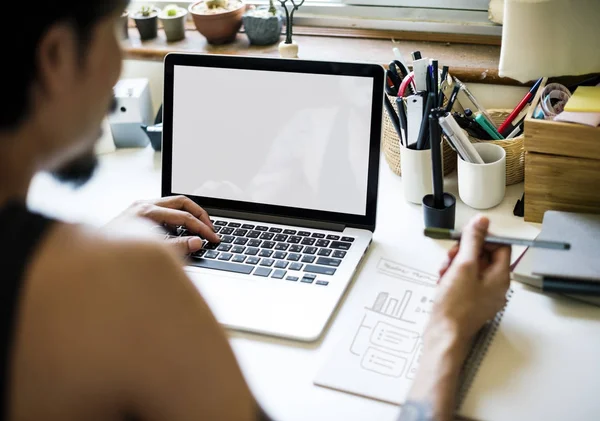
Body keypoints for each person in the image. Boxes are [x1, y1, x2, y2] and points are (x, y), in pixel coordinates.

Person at [0, 2, 511, 421]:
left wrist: (98, 247)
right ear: (57, 55)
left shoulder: (89, 264)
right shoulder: (130, 276)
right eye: (113, 29)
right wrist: (447, 328)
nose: (116, 67)